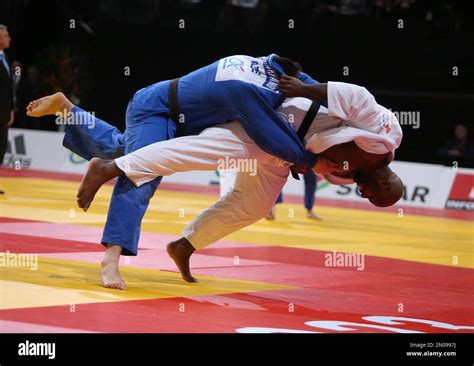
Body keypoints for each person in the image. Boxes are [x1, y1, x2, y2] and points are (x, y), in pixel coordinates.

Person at [26, 54, 343, 289]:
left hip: (174, 114)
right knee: (143, 174)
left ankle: (69, 110)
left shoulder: (261, 65)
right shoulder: (249, 89)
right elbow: (270, 134)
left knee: (121, 150)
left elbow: (311, 88)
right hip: (157, 108)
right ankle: (111, 259)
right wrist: (310, 161)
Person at [57, 79, 403, 285]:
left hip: (284, 153)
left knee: (254, 205)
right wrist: (304, 88)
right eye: (371, 195)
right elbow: (358, 97)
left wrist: (303, 164)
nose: (363, 194)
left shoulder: (353, 174)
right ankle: (111, 167)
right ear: (386, 184)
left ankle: (185, 245)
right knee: (203, 150)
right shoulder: (386, 136)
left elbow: (318, 160)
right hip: (276, 120)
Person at [0, 24, 14, 194]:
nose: (9, 38)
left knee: (1, 148)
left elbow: (8, 90)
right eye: (6, 35)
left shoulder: (4, 58)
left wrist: (11, 110)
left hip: (3, 114)